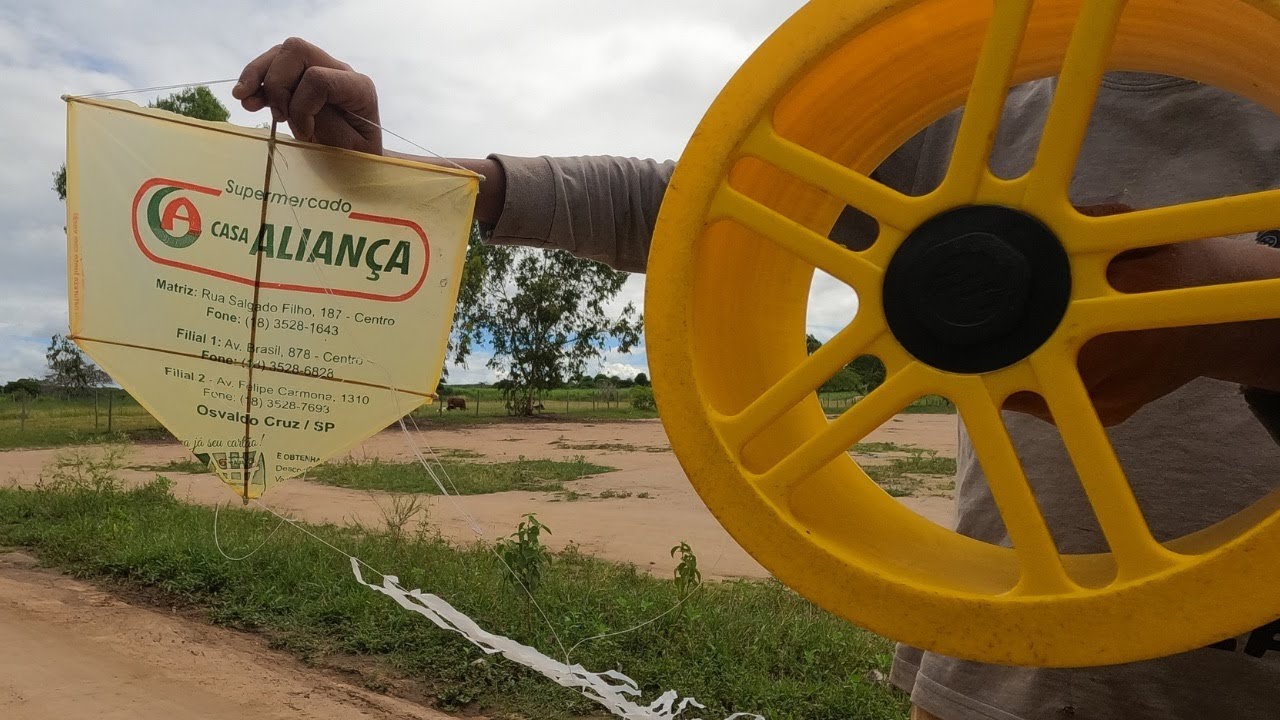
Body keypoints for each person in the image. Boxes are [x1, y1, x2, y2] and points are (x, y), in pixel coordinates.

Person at [234, 38, 1280, 720]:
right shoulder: (982, 111)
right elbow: (707, 208)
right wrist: (415, 188)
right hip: (1003, 678)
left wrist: (1232, 313)